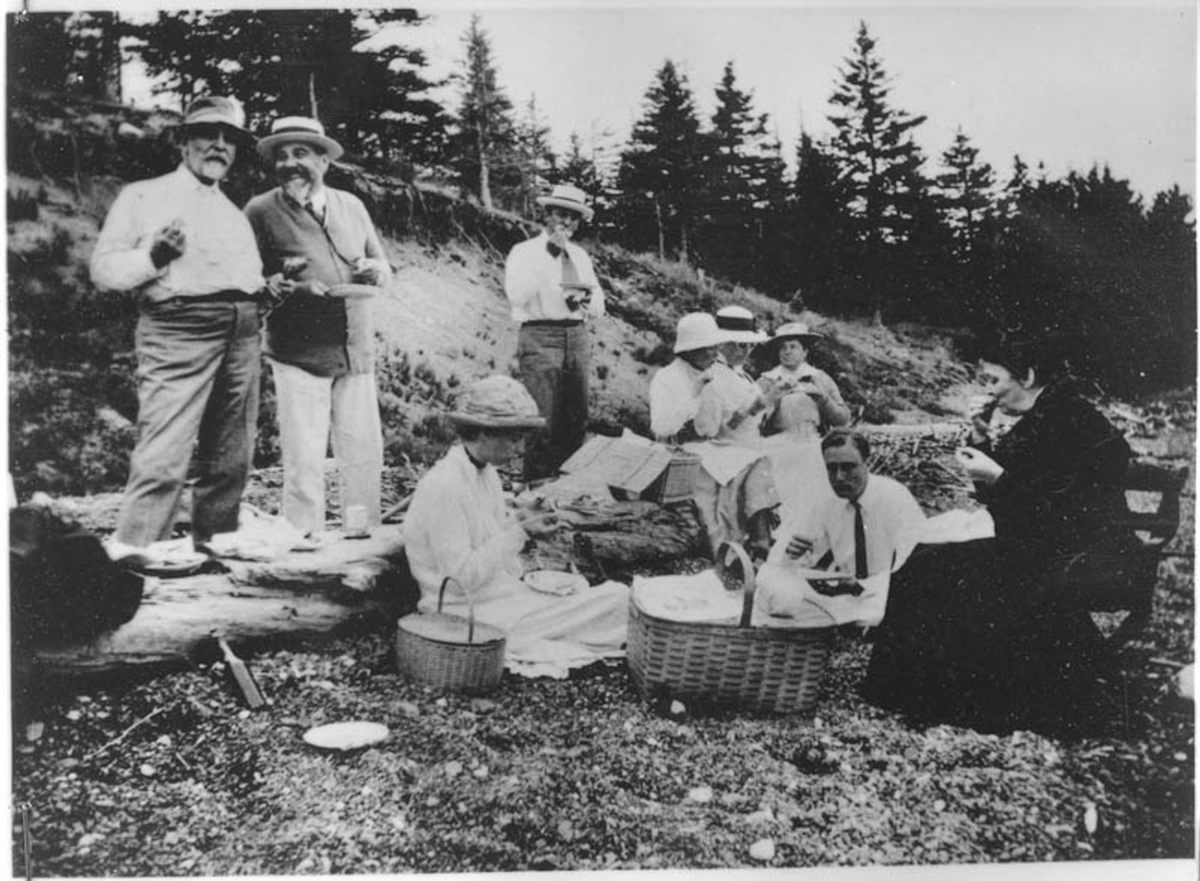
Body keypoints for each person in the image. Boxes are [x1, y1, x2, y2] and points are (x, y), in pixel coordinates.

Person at [861, 332, 1137, 735]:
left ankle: (948, 699)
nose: (987, 389)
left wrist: (997, 475)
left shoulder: (1073, 419)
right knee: (924, 560)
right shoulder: (1044, 415)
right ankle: (915, 694)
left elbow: (1065, 505)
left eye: (992, 380)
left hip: (1080, 550)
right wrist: (981, 442)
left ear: (1025, 375)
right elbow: (1015, 497)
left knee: (945, 570)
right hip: (1039, 544)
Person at [90, 96, 266, 564]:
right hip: (178, 327)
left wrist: (266, 288)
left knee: (233, 441)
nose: (220, 146)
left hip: (243, 329)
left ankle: (218, 531)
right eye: (209, 134)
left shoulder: (233, 211)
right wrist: (153, 257)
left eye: (230, 139)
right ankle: (138, 543)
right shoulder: (143, 196)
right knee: (167, 435)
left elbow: (237, 277)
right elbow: (104, 270)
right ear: (184, 141)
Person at [404, 376, 629, 675]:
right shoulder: (445, 486)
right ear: (483, 432)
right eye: (512, 438)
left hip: (498, 597)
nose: (520, 447)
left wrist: (524, 522)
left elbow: (492, 542)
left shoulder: (486, 475)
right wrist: (520, 532)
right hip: (464, 612)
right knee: (617, 601)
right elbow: (461, 578)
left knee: (608, 597)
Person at [245, 116, 391, 537]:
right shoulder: (260, 211)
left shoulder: (352, 206)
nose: (290, 163)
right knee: (304, 457)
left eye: (301, 154)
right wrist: (287, 286)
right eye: (282, 156)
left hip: (355, 349)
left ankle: (361, 540)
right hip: (299, 352)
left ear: (324, 161)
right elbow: (244, 279)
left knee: (363, 452)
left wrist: (373, 271)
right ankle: (303, 545)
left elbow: (383, 265)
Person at [754, 428, 925, 624]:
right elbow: (782, 558)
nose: (839, 477)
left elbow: (915, 565)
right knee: (773, 582)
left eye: (848, 467)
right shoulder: (824, 499)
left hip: (885, 590)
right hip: (843, 595)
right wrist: (791, 555)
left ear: (866, 463)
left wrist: (863, 587)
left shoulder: (894, 497)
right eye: (831, 468)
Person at [649, 313, 778, 559]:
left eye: (714, 347)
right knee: (717, 482)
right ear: (690, 350)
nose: (714, 354)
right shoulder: (667, 378)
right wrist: (695, 392)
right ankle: (725, 548)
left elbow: (711, 427)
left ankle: (759, 539)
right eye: (707, 349)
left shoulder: (712, 374)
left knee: (755, 462)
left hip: (706, 447)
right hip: (673, 452)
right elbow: (662, 427)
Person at [504, 183, 604, 482]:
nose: (568, 223)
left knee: (576, 419)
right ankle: (536, 489)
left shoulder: (581, 257)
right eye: (562, 215)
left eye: (574, 217)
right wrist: (550, 254)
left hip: (576, 334)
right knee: (543, 418)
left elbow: (599, 303)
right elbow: (517, 295)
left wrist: (585, 299)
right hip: (540, 334)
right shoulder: (524, 252)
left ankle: (568, 489)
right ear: (547, 214)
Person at [758, 321, 851, 532]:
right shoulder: (768, 380)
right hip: (778, 444)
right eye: (783, 348)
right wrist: (772, 400)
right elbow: (752, 417)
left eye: (793, 347)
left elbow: (843, 418)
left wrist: (822, 399)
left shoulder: (820, 378)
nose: (787, 352)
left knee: (815, 490)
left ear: (805, 351)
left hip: (812, 441)